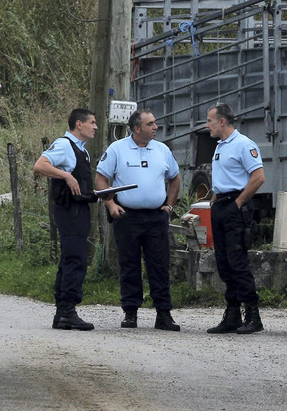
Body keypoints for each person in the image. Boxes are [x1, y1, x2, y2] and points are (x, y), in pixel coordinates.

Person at [94, 109, 182, 331]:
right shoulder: (117, 149)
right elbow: (101, 178)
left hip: (156, 217)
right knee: (129, 264)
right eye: (150, 124)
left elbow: (175, 178)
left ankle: (163, 314)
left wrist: (169, 207)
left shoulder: (162, 150)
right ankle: (130, 312)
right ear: (137, 128)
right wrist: (111, 205)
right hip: (127, 216)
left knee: (159, 265)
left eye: (155, 123)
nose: (156, 127)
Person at [32, 108, 98, 331]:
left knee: (70, 259)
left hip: (78, 209)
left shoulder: (81, 150)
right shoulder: (64, 145)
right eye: (92, 122)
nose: (95, 127)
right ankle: (68, 311)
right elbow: (40, 165)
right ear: (79, 124)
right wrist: (66, 175)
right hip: (70, 211)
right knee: (76, 260)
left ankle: (62, 313)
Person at [204, 102, 266, 335]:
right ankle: (232, 313)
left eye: (209, 120)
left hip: (235, 207)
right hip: (221, 206)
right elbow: (225, 176)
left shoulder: (243, 144)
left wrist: (238, 203)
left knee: (237, 262)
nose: (207, 125)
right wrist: (214, 197)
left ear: (222, 121)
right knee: (224, 263)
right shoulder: (220, 146)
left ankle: (252, 314)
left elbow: (258, 177)